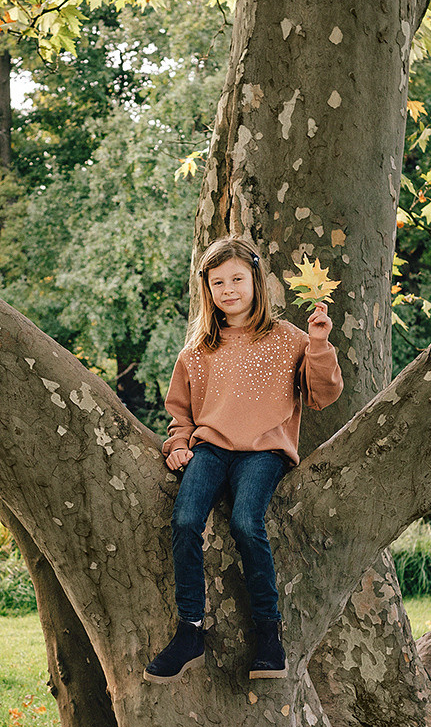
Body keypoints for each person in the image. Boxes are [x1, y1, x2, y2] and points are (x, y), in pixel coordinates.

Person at [144, 237, 342, 685]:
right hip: (211, 448)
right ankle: (190, 631)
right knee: (185, 519)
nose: (228, 289)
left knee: (245, 524)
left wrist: (319, 344)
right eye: (218, 282)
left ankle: (269, 635)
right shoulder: (197, 350)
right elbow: (180, 410)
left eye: (237, 278)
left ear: (256, 280)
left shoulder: (289, 338)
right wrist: (177, 445)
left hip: (264, 451)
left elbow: (322, 395)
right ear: (207, 290)